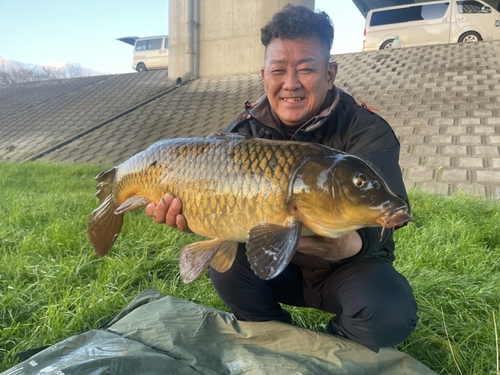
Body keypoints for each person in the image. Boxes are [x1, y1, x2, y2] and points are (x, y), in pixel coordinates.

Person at [145, 4, 418, 352]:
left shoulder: (366, 130)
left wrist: (351, 244)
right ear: (264, 75)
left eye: (305, 69)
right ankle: (277, 346)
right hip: (275, 264)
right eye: (279, 71)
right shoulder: (241, 134)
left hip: (348, 271)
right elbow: (210, 204)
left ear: (330, 73)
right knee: (226, 269)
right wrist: (199, 216)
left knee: (389, 311)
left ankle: (337, 351)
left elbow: (390, 213)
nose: (291, 84)